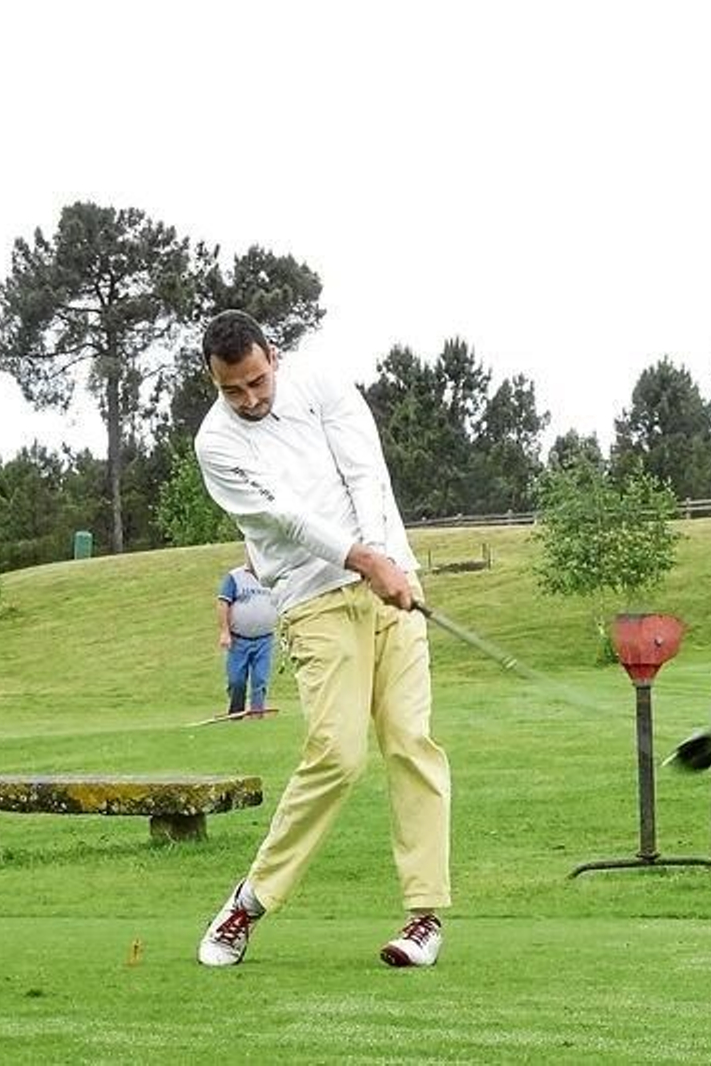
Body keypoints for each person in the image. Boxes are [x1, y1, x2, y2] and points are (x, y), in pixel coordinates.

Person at [191, 309, 450, 970]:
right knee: (337, 754)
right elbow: (285, 518)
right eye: (232, 389)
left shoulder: (322, 384)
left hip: (391, 581)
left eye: (256, 381)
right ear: (214, 382)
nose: (249, 399)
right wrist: (364, 561)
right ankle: (250, 900)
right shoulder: (216, 443)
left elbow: (366, 473)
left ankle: (424, 917)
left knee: (411, 741)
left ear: (273, 355)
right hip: (312, 599)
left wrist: (384, 560)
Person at [216, 558, 278, 716]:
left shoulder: (271, 575)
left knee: (260, 679)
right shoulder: (235, 577)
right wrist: (224, 632)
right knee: (236, 680)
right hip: (239, 639)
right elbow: (223, 603)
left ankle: (257, 714)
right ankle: (236, 713)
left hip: (265, 639)